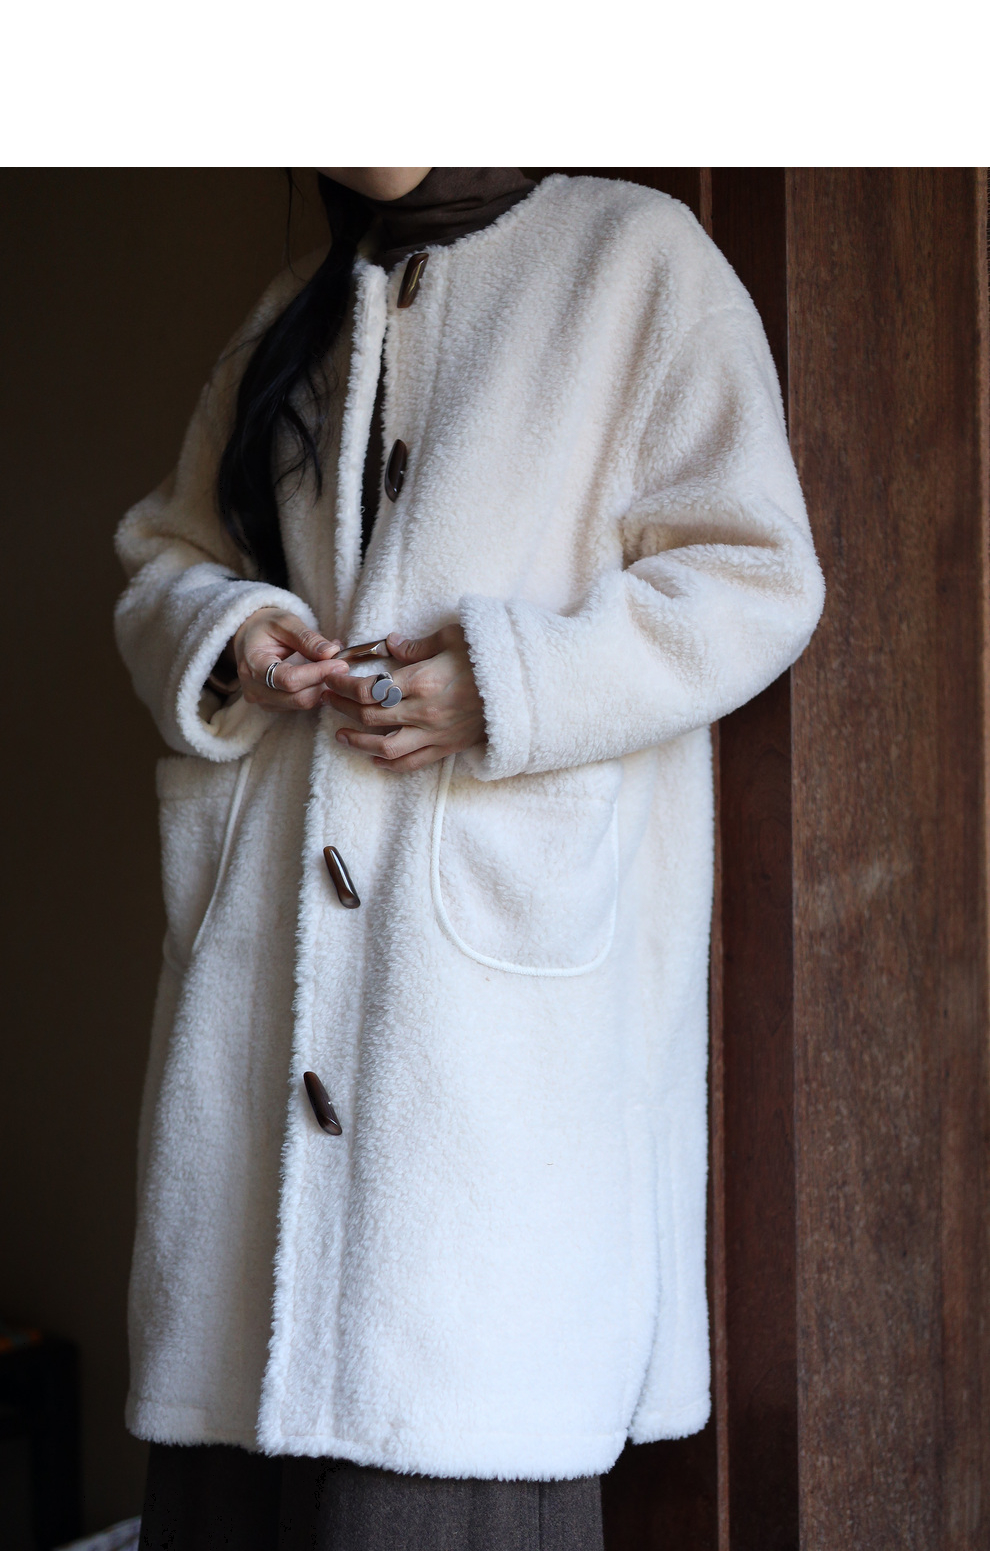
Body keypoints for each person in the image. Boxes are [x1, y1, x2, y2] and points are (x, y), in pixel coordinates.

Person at [116, 167, 825, 1550]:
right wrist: (236, 634)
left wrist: (509, 685)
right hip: (256, 1041)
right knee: (228, 1492)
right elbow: (163, 555)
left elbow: (755, 573)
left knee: (446, 1466)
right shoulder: (293, 311)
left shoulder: (635, 261)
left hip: (487, 1063)